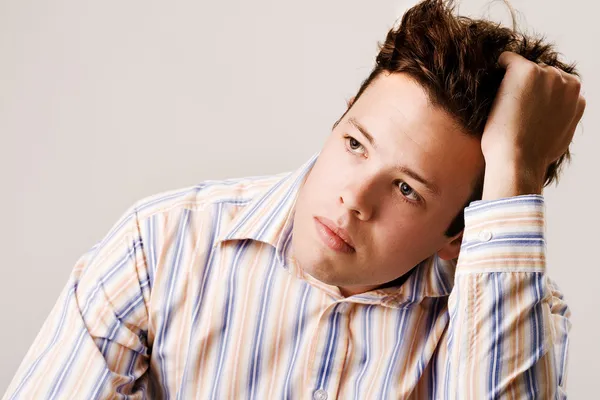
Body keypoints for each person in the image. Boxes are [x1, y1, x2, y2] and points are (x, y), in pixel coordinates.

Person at [3, 0, 585, 398]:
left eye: (407, 189)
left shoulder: (508, 314)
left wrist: (514, 175)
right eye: (355, 143)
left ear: (457, 236)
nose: (354, 197)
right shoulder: (158, 248)